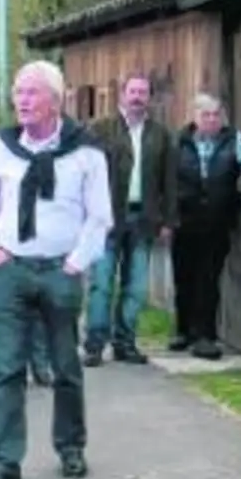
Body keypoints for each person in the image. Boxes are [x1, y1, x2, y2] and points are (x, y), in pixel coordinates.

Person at [0, 61, 113, 479]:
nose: (23, 101)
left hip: (59, 270)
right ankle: (4, 460)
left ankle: (71, 446)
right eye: (18, 92)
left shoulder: (85, 150)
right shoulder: (2, 145)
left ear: (55, 100)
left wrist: (76, 262)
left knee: (65, 365)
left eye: (32, 93)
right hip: (12, 266)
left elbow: (99, 216)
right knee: (6, 368)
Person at [82, 73, 177, 366]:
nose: (137, 97)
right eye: (132, 91)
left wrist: (168, 220)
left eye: (143, 92)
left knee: (135, 286)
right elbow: (84, 174)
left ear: (149, 98)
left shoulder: (159, 134)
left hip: (143, 217)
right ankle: (94, 344)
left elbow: (168, 181)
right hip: (107, 218)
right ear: (122, 95)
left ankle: (125, 342)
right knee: (101, 283)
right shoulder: (100, 129)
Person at [171, 94, 241, 359]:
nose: (211, 120)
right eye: (205, 114)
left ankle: (206, 336)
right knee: (183, 277)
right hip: (184, 220)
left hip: (217, 221)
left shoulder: (234, 141)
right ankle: (183, 330)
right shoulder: (179, 141)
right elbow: (166, 177)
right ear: (194, 116)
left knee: (208, 279)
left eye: (215, 115)